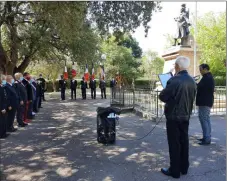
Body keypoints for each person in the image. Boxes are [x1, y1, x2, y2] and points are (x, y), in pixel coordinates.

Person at [159, 56, 197, 179]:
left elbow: (163, 97)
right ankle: (184, 168)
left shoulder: (174, 80)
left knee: (174, 144)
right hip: (186, 115)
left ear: (177, 66)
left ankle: (174, 171)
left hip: (174, 117)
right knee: (184, 141)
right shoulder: (192, 81)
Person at [196, 64, 215, 145]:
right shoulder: (208, 77)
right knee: (206, 119)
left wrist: (194, 82)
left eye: (200, 69)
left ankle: (207, 139)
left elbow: (199, 87)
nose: (200, 71)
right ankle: (206, 137)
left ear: (205, 69)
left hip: (204, 102)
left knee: (204, 120)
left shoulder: (207, 78)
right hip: (206, 101)